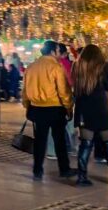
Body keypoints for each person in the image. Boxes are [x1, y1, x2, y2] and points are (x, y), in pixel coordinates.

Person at [71, 46, 108, 186]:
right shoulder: (102, 67)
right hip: (101, 110)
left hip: (84, 111)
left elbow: (74, 88)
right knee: (107, 143)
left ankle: (82, 177)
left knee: (85, 144)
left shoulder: (76, 66)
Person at [21, 41, 75, 181]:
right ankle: (64, 169)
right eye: (57, 50)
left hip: (37, 108)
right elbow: (63, 91)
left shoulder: (31, 67)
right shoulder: (56, 67)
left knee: (40, 140)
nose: (58, 53)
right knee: (59, 140)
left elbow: (25, 91)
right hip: (55, 108)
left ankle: (37, 170)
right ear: (52, 51)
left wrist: (27, 106)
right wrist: (68, 107)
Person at [46, 42, 76, 159]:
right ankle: (68, 147)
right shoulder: (62, 64)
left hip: (48, 99)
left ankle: (52, 150)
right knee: (67, 125)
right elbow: (69, 82)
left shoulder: (46, 64)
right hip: (61, 97)